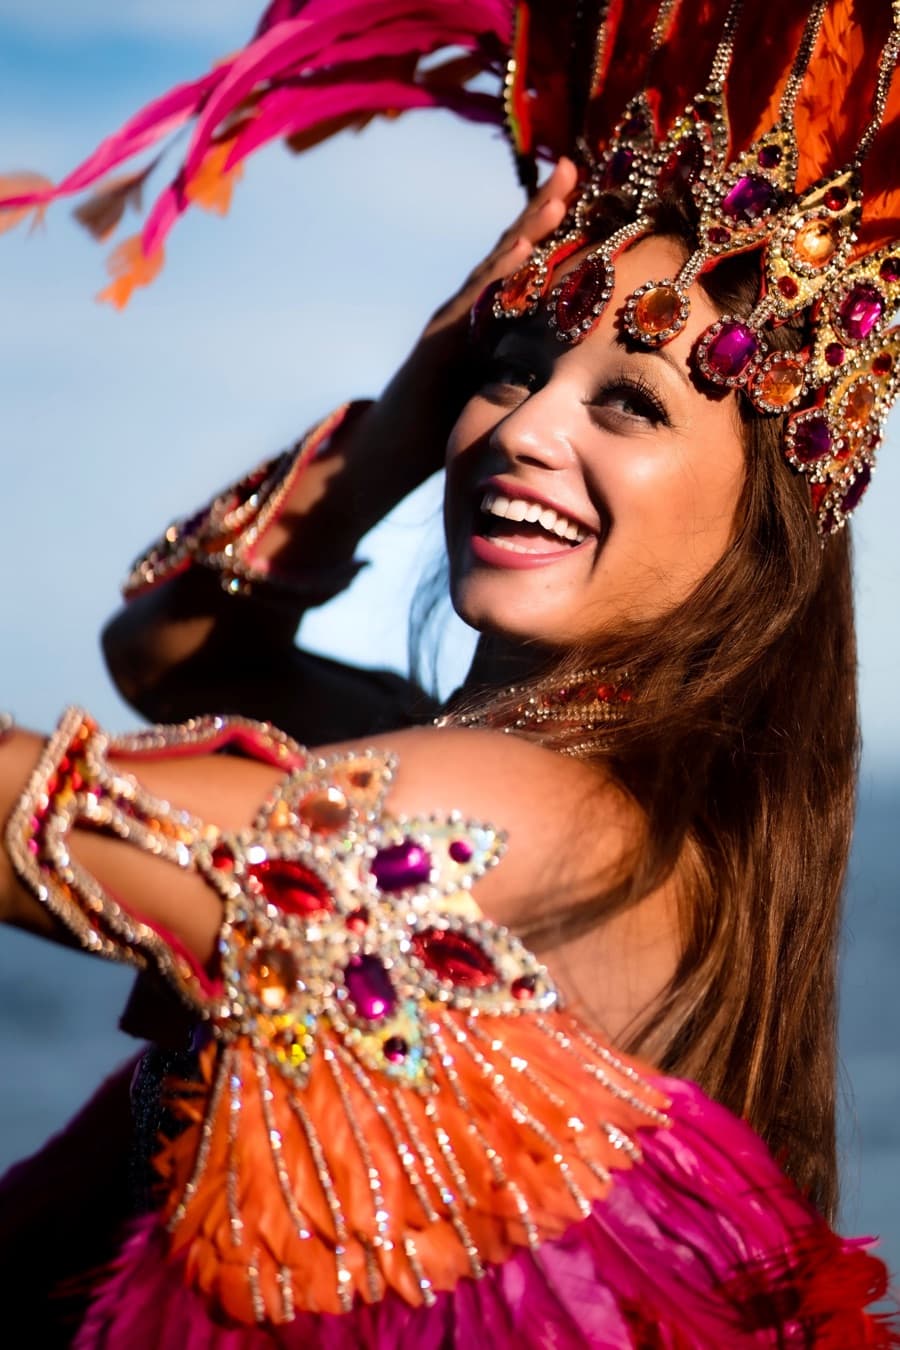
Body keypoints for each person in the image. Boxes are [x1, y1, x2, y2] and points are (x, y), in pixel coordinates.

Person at [0, 0, 898, 1343]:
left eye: (631, 400)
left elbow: (37, 828)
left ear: (760, 523)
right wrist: (407, 413)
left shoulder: (540, 817)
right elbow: (174, 653)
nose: (524, 427)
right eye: (513, 367)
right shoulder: (568, 795)